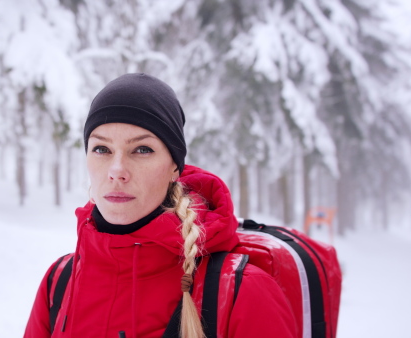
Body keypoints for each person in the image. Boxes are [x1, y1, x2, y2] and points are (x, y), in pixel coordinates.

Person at [24, 73, 296, 338]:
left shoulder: (241, 292)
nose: (117, 171)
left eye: (142, 149)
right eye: (101, 149)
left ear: (174, 167)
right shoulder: (59, 282)